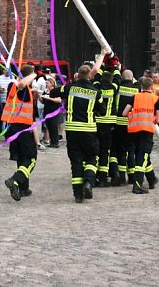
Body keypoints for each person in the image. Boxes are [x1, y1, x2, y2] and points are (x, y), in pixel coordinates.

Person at [61, 50, 107, 203]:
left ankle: (77, 194)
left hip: (72, 130)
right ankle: (88, 182)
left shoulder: (69, 88)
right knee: (91, 158)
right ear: (89, 76)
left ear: (77, 75)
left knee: (76, 161)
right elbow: (102, 111)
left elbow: (56, 92)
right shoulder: (96, 92)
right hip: (88, 131)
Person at [2, 64, 40, 201]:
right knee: (31, 159)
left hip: (13, 127)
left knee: (22, 157)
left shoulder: (13, 86)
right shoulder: (21, 86)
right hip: (22, 128)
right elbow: (23, 84)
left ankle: (23, 188)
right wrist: (34, 74)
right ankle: (14, 180)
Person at [123, 75, 159, 193]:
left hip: (133, 131)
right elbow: (157, 119)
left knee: (143, 155)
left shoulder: (135, 97)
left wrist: (133, 116)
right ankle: (137, 185)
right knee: (142, 156)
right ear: (151, 86)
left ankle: (152, 179)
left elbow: (124, 113)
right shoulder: (155, 99)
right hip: (147, 130)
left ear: (141, 86)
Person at [111, 69, 138, 186]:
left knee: (120, 151)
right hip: (132, 124)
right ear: (132, 78)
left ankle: (121, 177)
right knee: (131, 150)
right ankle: (132, 176)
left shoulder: (118, 88)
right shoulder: (137, 89)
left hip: (118, 124)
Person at [93, 69, 118, 186]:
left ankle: (95, 174)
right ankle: (103, 177)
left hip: (98, 122)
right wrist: (116, 68)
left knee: (96, 150)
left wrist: (100, 68)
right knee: (105, 150)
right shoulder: (114, 88)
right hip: (110, 124)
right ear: (111, 80)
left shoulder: (97, 87)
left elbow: (95, 78)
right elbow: (118, 79)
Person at [42, 76, 63, 147]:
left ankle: (55, 142)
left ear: (52, 84)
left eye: (47, 83)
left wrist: (49, 98)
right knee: (49, 126)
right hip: (47, 111)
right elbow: (43, 101)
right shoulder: (46, 91)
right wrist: (39, 96)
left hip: (54, 111)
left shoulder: (55, 91)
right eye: (46, 83)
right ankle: (52, 142)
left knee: (53, 126)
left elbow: (59, 100)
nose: (46, 84)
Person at [0, 66, 13, 138]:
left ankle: (7, 135)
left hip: (9, 102)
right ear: (3, 70)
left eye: (9, 70)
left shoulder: (12, 78)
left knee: (8, 119)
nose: (8, 72)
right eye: (6, 70)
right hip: (0, 101)